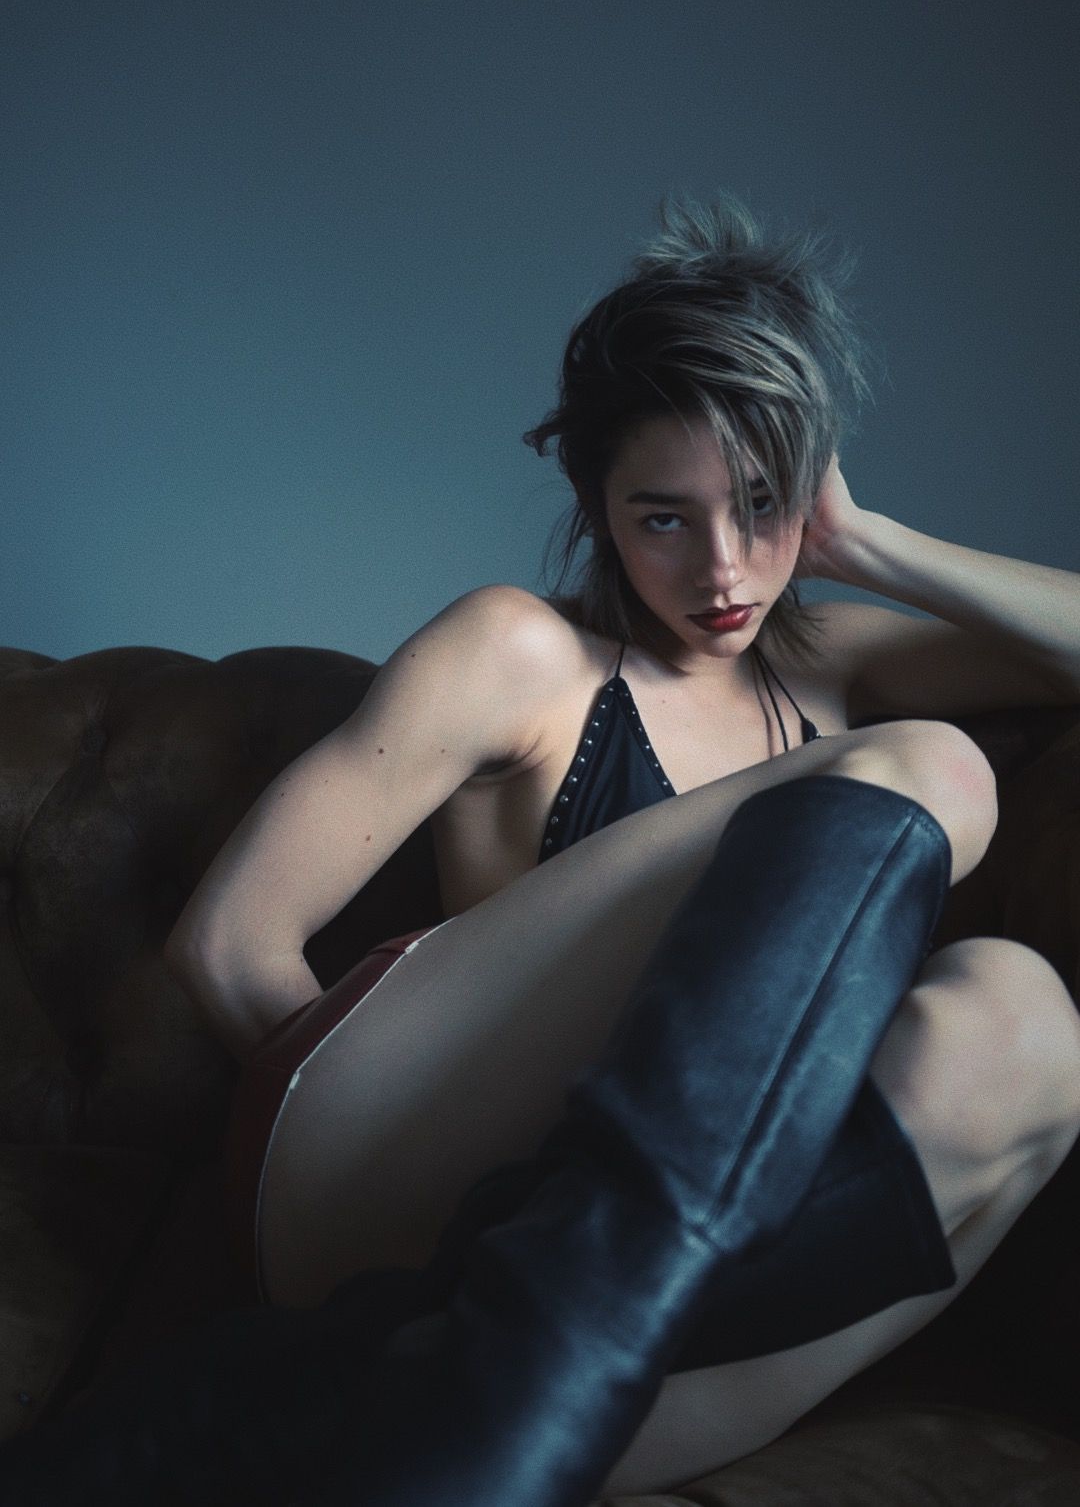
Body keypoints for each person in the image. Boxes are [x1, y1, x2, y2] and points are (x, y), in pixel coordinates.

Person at [4, 195, 1080, 1507]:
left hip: (566, 1275)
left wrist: (868, 543)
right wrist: (409, 1153)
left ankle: (441, 1404)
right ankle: (459, 1321)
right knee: (932, 770)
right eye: (664, 516)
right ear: (597, 506)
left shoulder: (834, 668)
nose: (727, 565)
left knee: (1027, 1030)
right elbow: (227, 943)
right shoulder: (522, 655)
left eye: (763, 502)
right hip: (394, 1171)